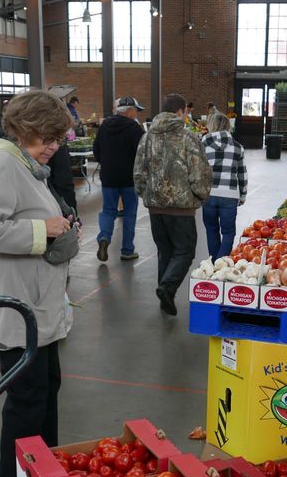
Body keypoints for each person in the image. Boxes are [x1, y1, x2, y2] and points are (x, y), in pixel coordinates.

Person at [0, 90, 79, 477]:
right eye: (46, 138)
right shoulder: (2, 163)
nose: (53, 147)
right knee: (27, 398)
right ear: (24, 128)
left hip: (38, 304)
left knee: (46, 388)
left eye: (57, 139)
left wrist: (59, 226)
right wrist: (41, 231)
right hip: (19, 306)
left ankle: (43, 472)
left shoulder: (26, 163)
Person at [134, 91, 212, 316]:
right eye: (186, 112)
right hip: (182, 208)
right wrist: (200, 196)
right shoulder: (188, 138)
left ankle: (165, 296)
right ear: (180, 112)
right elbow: (199, 172)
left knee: (165, 252)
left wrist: (145, 194)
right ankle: (167, 288)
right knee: (185, 252)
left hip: (155, 208)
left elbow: (139, 171)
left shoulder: (146, 137)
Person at [93, 96, 144, 262]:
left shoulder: (104, 126)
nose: (137, 114)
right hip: (129, 179)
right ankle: (127, 250)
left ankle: (104, 238)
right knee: (129, 213)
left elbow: (96, 150)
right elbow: (143, 153)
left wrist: (107, 164)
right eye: (136, 110)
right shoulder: (134, 129)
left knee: (108, 211)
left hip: (108, 178)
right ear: (129, 111)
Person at [201, 112, 248, 259]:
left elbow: (197, 171)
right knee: (228, 232)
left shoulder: (201, 146)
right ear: (228, 126)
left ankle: (214, 263)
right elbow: (242, 174)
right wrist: (243, 194)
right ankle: (220, 264)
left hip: (208, 194)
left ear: (211, 126)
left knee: (211, 229)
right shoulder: (238, 147)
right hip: (229, 195)